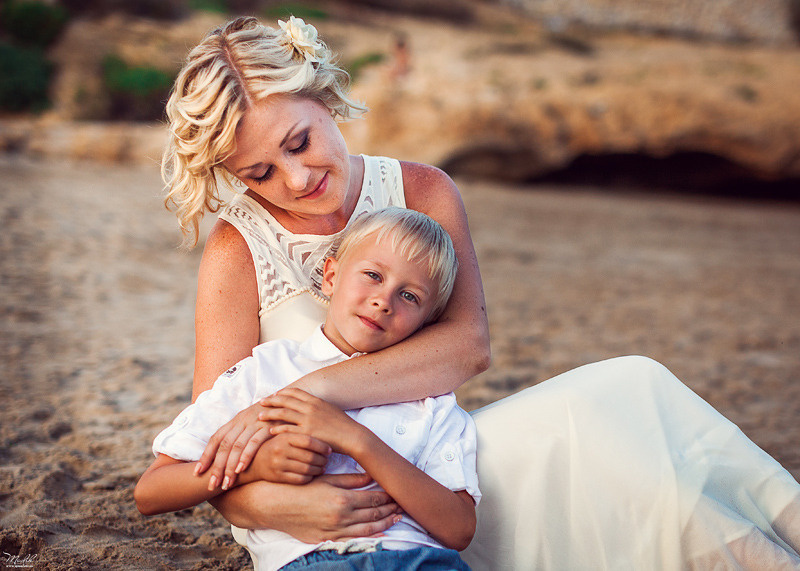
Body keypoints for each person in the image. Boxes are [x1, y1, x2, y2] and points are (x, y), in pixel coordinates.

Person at [160, 15, 800, 569]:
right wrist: (281, 504)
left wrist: (308, 392)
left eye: (299, 142)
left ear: (323, 99)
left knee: (633, 391)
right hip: (308, 516)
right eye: (259, 172)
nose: (296, 179)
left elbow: (466, 348)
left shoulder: (423, 191)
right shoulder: (235, 249)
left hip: (432, 469)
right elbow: (215, 443)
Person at [136, 208, 479, 570]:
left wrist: (357, 440)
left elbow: (459, 529)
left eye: (409, 296)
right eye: (373, 276)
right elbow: (151, 491)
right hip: (312, 561)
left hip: (419, 559)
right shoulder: (266, 371)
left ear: (428, 322)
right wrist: (257, 466)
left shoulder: (431, 398)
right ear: (331, 276)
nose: (384, 301)